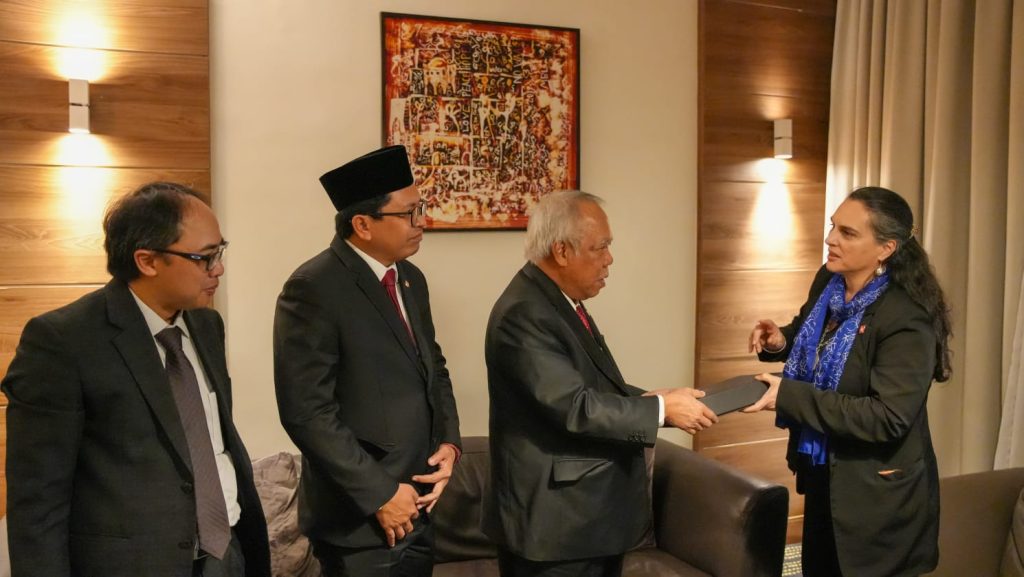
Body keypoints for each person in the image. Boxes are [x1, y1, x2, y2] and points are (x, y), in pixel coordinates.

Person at [1, 182, 271, 577]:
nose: (218, 269)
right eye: (205, 257)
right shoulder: (63, 341)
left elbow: (213, 443)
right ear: (147, 261)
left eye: (220, 252)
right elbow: (38, 500)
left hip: (226, 554)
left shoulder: (206, 324)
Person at [482, 190, 718, 577]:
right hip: (556, 529)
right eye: (600, 247)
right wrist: (660, 411)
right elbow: (573, 407)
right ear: (561, 251)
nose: (609, 259)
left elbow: (591, 386)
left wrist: (651, 398)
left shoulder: (556, 300)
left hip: (584, 521)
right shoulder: (524, 313)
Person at [274, 145, 461, 577]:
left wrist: (449, 443)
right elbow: (307, 412)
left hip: (419, 505)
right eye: (409, 213)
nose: (422, 222)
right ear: (362, 224)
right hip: (359, 520)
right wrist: (381, 494)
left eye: (421, 209)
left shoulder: (410, 278)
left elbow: (434, 368)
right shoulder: (314, 287)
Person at [744, 186, 950, 577]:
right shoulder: (829, 279)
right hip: (823, 468)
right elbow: (812, 333)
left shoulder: (906, 315)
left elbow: (887, 417)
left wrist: (790, 396)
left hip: (877, 494)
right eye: (833, 226)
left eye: (847, 233)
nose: (830, 239)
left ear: (886, 248)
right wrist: (781, 340)